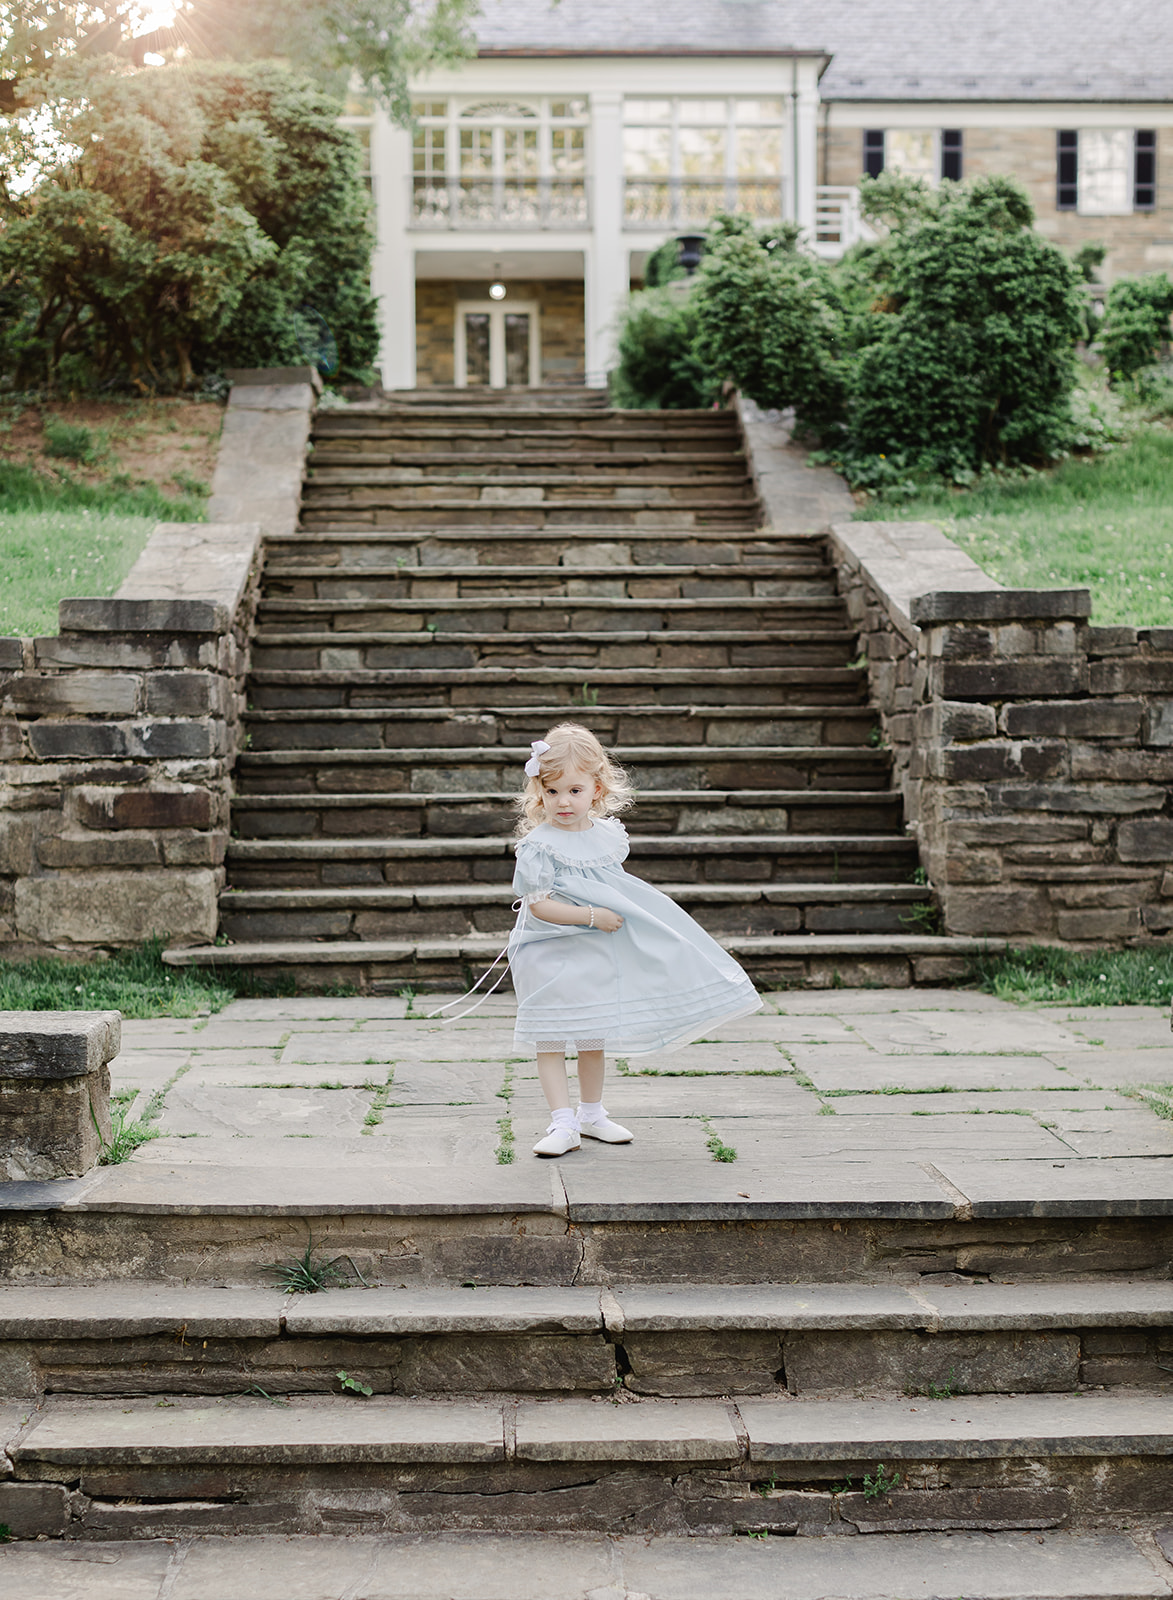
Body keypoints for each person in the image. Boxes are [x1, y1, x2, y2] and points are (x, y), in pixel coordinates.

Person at [510, 722, 761, 1157]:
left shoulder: (605, 836)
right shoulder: (538, 846)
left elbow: (616, 888)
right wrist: (591, 915)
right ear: (539, 792)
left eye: (573, 790)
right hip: (548, 948)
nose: (563, 802)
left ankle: (591, 1113)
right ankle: (562, 1123)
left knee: (592, 1034)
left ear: (597, 788)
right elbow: (540, 906)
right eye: (551, 792)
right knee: (550, 1036)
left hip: (593, 951)